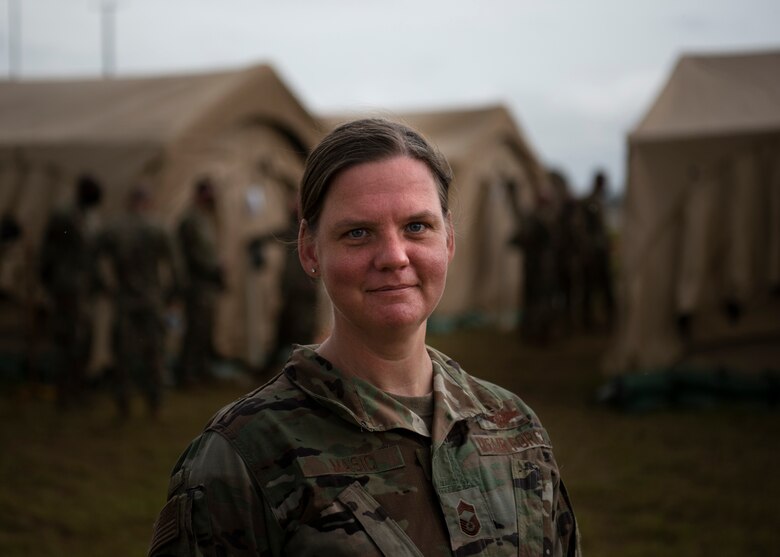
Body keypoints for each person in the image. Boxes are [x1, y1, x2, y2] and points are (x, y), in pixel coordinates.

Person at [148, 119, 580, 556]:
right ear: (310, 250)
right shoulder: (242, 457)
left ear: (448, 239)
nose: (394, 256)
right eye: (358, 233)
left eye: (416, 227)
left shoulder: (514, 428)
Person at [94, 183, 180, 420]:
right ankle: (156, 405)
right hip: (152, 299)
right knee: (155, 353)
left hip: (124, 299)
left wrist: (104, 285)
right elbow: (175, 266)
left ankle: (123, 405)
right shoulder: (158, 228)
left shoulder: (114, 228)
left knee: (123, 354)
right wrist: (172, 294)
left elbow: (92, 255)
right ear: (148, 202)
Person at [38, 173, 102, 409]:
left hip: (82, 287)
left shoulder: (90, 216)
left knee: (83, 338)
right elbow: (48, 250)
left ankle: (77, 388)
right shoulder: (64, 215)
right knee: (70, 338)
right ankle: (65, 391)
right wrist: (47, 280)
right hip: (67, 286)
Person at [176, 176, 224, 388]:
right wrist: (215, 268)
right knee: (195, 330)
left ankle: (200, 371)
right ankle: (188, 374)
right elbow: (196, 254)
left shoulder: (204, 218)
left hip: (207, 284)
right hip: (197, 284)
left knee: (204, 329)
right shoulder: (191, 219)